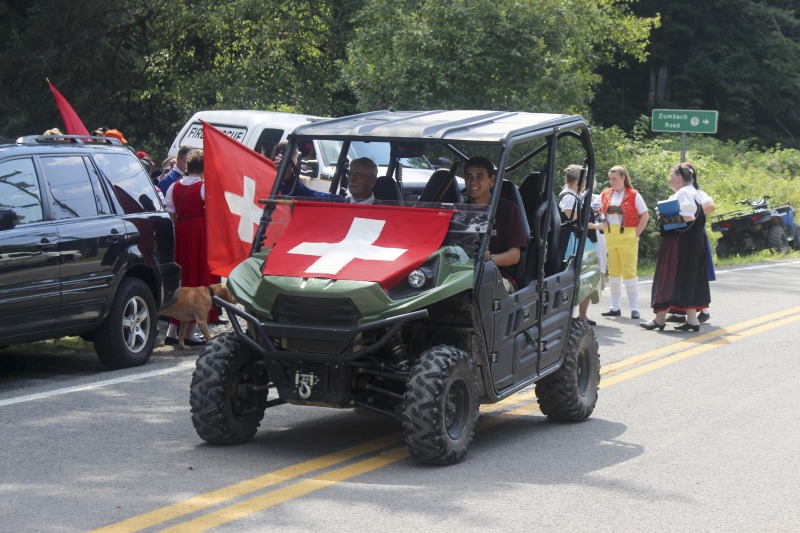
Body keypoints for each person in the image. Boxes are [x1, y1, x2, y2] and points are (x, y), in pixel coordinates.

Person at [640, 162, 711, 332]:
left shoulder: (683, 193)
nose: (669, 179)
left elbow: (687, 217)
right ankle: (692, 319)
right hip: (694, 241)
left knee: (668, 276)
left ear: (679, 178)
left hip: (680, 242)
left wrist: (664, 217)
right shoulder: (695, 192)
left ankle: (660, 318)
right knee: (689, 277)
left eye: (671, 176)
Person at [162, 149, 221, 345]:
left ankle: (172, 330)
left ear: (188, 167)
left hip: (181, 232)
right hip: (199, 233)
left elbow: (170, 213)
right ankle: (189, 333)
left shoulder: (173, 186)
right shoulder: (204, 187)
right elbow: (213, 213)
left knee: (183, 277)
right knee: (198, 277)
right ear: (203, 168)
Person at [464, 156, 527, 292]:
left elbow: (514, 255)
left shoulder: (507, 209)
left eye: (479, 176)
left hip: (499, 275)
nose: (473, 181)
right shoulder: (460, 211)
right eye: (469, 176)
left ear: (491, 181)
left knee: (479, 289)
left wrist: (488, 258)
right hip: (462, 272)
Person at [666, 162, 715, 324]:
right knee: (684, 272)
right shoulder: (688, 193)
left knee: (695, 272)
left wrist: (695, 210)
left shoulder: (694, 193)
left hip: (694, 233)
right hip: (688, 234)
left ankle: (702, 309)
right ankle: (681, 312)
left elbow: (710, 207)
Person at [599, 165, 649, 320]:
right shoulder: (605, 194)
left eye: (614, 178)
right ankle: (615, 307)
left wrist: (635, 234)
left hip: (627, 235)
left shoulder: (633, 194)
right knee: (613, 272)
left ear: (623, 178)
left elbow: (645, 215)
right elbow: (600, 213)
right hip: (610, 236)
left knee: (629, 272)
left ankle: (634, 308)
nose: (611, 181)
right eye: (610, 178)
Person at [276, 142, 379, 204]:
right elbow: (307, 194)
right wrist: (288, 177)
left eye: (358, 175)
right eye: (350, 174)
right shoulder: (337, 203)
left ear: (372, 181)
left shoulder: (385, 211)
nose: (352, 179)